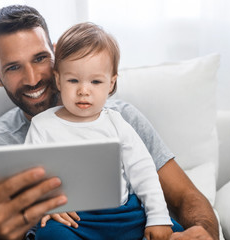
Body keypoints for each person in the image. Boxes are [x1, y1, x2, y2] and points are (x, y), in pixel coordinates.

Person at [0, 4, 219, 240]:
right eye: (13, 67)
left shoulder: (121, 117)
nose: (32, 79)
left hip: (123, 214)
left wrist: (200, 231)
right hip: (71, 224)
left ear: (54, 56)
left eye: (40, 58)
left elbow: (181, 193)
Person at [24, 22, 176, 240]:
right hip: (73, 219)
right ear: (58, 80)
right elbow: (30, 179)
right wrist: (46, 205)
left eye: (96, 81)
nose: (83, 90)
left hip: (122, 215)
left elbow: (144, 172)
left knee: (174, 232)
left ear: (111, 84)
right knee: (49, 233)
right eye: (73, 80)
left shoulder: (117, 123)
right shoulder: (42, 125)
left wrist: (158, 217)